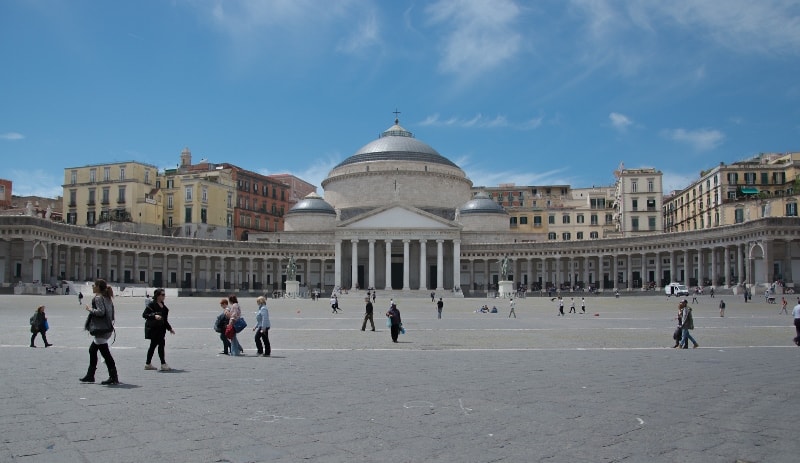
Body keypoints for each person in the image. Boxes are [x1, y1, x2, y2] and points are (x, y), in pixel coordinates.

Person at [80, 279, 118, 385]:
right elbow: (112, 313)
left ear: (98, 287)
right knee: (92, 350)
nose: (92, 287)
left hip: (100, 329)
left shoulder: (98, 298)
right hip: (107, 327)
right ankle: (90, 375)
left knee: (105, 354)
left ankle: (113, 376)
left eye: (94, 285)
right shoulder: (108, 297)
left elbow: (101, 312)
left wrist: (90, 309)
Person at [142, 288, 175, 371]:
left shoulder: (164, 307)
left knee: (153, 346)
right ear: (157, 296)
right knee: (160, 345)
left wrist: (170, 328)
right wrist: (154, 316)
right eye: (162, 295)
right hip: (154, 329)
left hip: (161, 329)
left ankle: (148, 364)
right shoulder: (152, 304)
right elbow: (144, 315)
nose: (164, 296)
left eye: (164, 295)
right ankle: (163, 364)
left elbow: (165, 320)